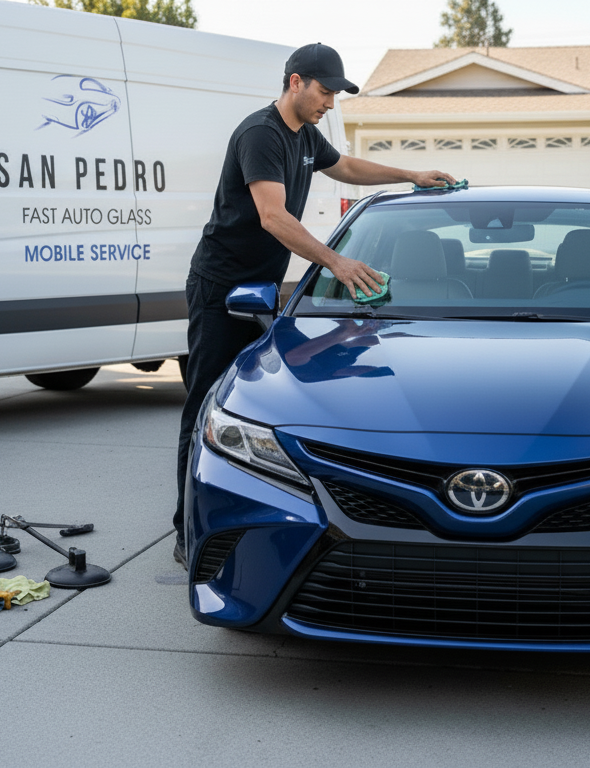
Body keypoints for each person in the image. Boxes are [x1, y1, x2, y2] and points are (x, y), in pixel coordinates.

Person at [173, 43, 457, 568]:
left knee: (254, 409)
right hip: (219, 287)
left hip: (261, 284)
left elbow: (345, 165)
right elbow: (273, 217)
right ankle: (185, 530)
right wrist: (337, 264)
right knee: (207, 402)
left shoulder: (305, 136)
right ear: (296, 82)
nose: (330, 101)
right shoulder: (262, 134)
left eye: (335, 93)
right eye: (325, 91)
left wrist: (410, 175)